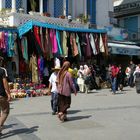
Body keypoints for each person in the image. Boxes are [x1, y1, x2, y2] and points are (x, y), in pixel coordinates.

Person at [0, 57, 11, 134]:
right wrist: (8, 93)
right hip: (1, 95)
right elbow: (5, 83)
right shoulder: (2, 70)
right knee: (5, 111)